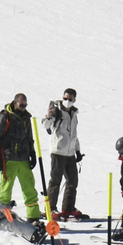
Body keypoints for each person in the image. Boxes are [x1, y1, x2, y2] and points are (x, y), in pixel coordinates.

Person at [0, 94, 41, 220]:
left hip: (23, 160)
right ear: (15, 103)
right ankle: (1, 217)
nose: (23, 108)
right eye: (21, 105)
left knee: (30, 190)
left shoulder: (26, 118)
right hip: (9, 160)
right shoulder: (5, 117)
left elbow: (30, 138)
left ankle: (33, 217)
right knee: (5, 192)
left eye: (25, 105)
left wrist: (32, 153)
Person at [41, 88, 87, 218]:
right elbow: (46, 125)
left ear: (74, 100)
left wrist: (77, 151)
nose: (67, 101)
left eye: (70, 99)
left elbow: (74, 135)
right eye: (65, 98)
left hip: (70, 153)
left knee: (72, 181)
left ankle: (68, 208)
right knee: (55, 180)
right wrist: (48, 116)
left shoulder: (74, 114)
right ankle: (50, 209)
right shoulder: (57, 111)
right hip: (58, 151)